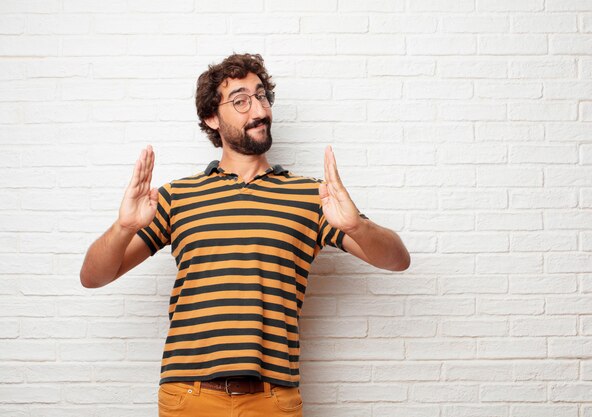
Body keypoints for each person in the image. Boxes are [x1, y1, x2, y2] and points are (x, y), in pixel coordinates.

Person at [80, 53, 410, 417]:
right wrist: (123, 227)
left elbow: (397, 260)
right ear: (211, 117)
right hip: (188, 396)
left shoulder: (312, 196)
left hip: (273, 399)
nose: (259, 110)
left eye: (262, 96)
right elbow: (94, 277)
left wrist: (355, 226)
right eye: (240, 100)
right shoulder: (177, 197)